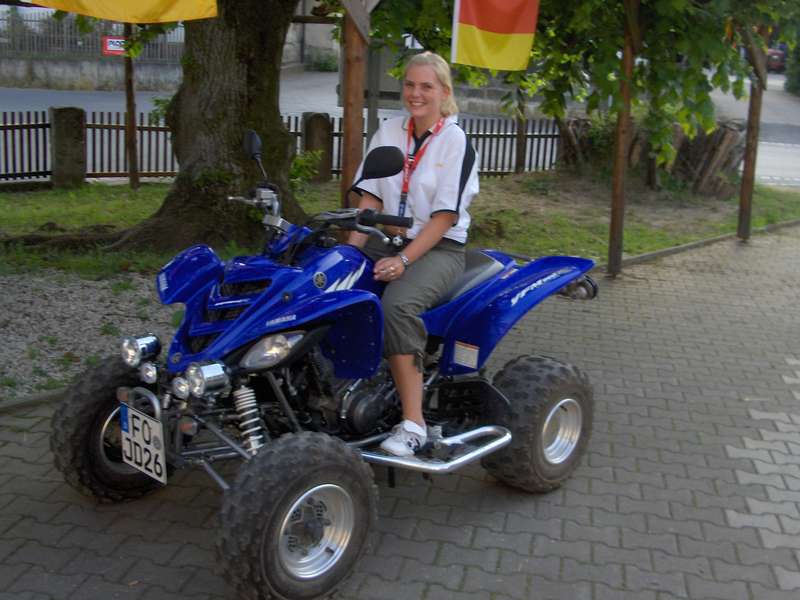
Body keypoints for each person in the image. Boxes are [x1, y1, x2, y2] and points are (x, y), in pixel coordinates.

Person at [348, 51, 479, 457]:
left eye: (426, 86)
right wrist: (348, 254)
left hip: (439, 247)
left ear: (444, 92)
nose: (415, 94)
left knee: (397, 306)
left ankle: (413, 423)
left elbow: (444, 217)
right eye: (409, 84)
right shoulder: (389, 130)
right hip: (385, 237)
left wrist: (404, 261)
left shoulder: (455, 141)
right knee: (331, 288)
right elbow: (369, 198)